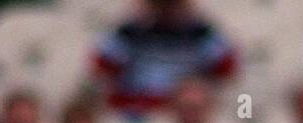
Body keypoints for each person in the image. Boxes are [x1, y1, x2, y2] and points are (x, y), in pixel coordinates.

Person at [94, 0, 237, 115]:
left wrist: (195, 17)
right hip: (140, 111)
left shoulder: (199, 32)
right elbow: (102, 64)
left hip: (184, 113)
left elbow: (227, 66)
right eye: (161, 4)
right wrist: (134, 19)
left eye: (172, 4)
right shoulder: (131, 31)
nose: (167, 9)